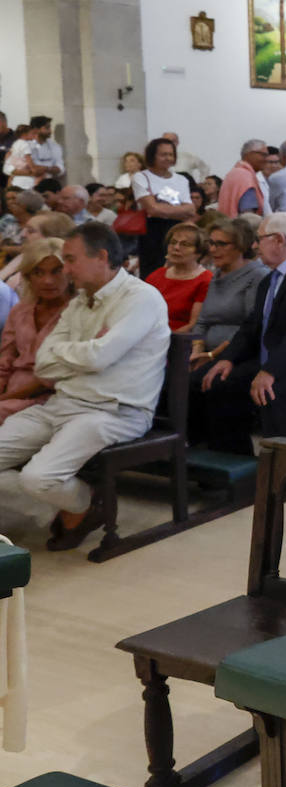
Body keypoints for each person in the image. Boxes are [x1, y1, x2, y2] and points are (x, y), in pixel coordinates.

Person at [0, 222, 168, 550]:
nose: (65, 269)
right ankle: (76, 505)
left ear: (101, 257)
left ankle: (87, 503)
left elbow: (98, 358)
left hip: (114, 411)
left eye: (70, 260)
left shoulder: (140, 298)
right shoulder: (80, 301)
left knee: (38, 478)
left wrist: (79, 353)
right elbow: (44, 361)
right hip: (62, 403)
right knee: (28, 472)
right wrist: (86, 350)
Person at [197, 213, 286, 456]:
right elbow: (251, 327)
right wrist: (228, 358)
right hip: (277, 357)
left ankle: (282, 474)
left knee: (272, 391)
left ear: (278, 239)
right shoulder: (270, 279)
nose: (254, 245)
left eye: (259, 239)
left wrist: (269, 371)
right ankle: (236, 462)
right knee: (217, 380)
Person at [0, 238, 71, 423]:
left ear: (71, 272)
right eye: (38, 272)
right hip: (11, 392)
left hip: (51, 396)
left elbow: (56, 375)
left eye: (57, 271)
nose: (47, 281)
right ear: (28, 276)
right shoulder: (21, 310)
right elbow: (5, 359)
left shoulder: (79, 312)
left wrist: (5, 399)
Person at [188, 218, 270, 372]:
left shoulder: (258, 275)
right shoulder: (217, 274)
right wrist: (197, 352)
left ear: (241, 246)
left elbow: (251, 328)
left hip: (237, 357)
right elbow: (202, 322)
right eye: (211, 243)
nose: (212, 250)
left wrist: (212, 355)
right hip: (205, 355)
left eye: (221, 244)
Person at [132, 136, 197, 277]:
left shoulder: (181, 179)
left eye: (170, 154)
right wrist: (178, 210)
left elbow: (190, 209)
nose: (168, 158)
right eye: (163, 154)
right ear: (152, 156)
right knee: (153, 272)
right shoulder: (141, 177)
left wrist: (162, 208)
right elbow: (151, 209)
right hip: (152, 231)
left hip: (177, 228)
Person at [145, 222, 211, 332]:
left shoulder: (205, 280)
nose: (176, 247)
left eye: (185, 244)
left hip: (180, 340)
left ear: (199, 252)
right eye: (173, 242)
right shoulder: (156, 275)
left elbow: (193, 325)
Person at [217, 139, 271, 217]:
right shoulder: (245, 177)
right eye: (264, 155)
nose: (266, 159)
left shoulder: (234, 172)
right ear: (250, 154)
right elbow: (248, 216)